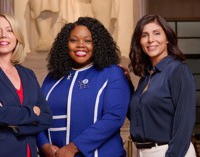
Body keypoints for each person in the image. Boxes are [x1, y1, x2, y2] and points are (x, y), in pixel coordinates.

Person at [36, 17, 131, 157]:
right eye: (73, 40)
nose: (80, 45)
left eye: (88, 41)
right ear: (65, 44)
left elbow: (113, 117)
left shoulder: (112, 73)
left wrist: (72, 148)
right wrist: (44, 145)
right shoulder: (52, 78)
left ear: (98, 44)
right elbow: (38, 117)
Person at [0, 13, 52, 157]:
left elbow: (46, 117)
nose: (3, 35)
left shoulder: (28, 74)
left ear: (17, 36)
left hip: (28, 151)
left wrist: (17, 127)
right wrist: (33, 112)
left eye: (9, 30)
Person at [128, 14, 196, 157]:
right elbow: (138, 116)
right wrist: (126, 83)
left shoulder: (177, 70)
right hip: (143, 152)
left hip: (171, 152)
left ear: (167, 39)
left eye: (157, 33)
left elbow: (185, 122)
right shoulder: (146, 78)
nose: (151, 40)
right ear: (139, 41)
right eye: (144, 35)